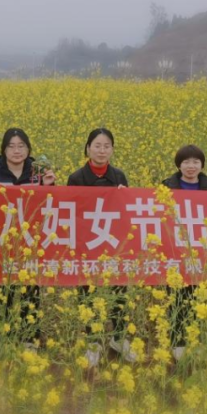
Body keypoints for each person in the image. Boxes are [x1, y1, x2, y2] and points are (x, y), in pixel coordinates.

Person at [0, 128, 55, 347]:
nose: (17, 151)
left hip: (30, 242)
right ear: (4, 149)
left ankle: (30, 339)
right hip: (0, 243)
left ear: (28, 149)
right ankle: (4, 339)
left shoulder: (38, 173)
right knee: (2, 293)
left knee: (31, 292)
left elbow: (51, 205)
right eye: (11, 146)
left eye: (21, 146)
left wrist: (49, 186)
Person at [67, 128, 133, 366]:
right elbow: (71, 212)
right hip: (87, 245)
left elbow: (125, 212)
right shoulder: (76, 178)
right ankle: (93, 342)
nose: (102, 150)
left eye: (107, 146)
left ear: (112, 150)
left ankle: (119, 338)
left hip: (113, 244)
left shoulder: (119, 176)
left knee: (119, 292)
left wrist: (125, 197)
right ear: (88, 149)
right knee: (88, 294)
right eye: (97, 145)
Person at [161, 144, 207, 361]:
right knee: (176, 297)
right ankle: (177, 341)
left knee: (198, 297)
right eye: (186, 162)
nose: (191, 166)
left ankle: (195, 340)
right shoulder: (166, 187)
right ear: (178, 165)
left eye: (195, 162)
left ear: (202, 165)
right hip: (174, 251)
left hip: (200, 253)